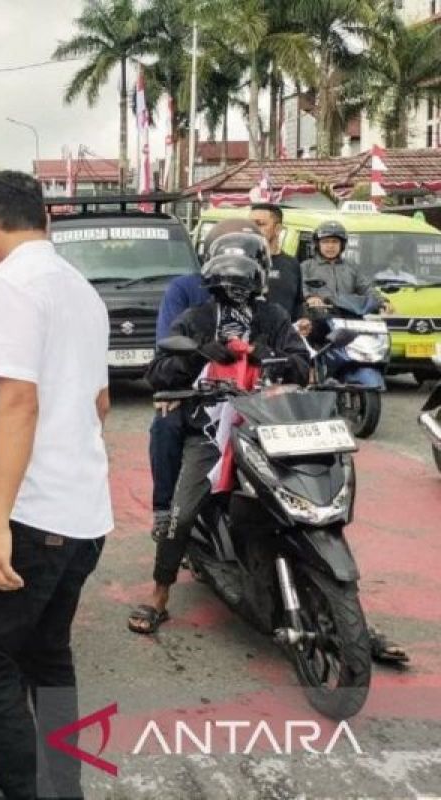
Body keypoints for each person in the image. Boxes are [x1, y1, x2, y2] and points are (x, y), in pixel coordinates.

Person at [0, 171, 112, 800]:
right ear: (43, 218)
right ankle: (61, 785)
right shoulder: (80, 289)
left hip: (31, 515)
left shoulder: (14, 286)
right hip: (83, 512)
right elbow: (99, 403)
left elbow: (18, 401)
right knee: (47, 655)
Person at [128, 254, 310, 638]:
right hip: (210, 432)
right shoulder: (194, 320)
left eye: (242, 288)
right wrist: (197, 356)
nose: (235, 295)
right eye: (227, 289)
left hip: (270, 428)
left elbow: (302, 366)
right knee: (180, 514)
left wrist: (269, 357)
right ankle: (160, 594)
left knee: (309, 501)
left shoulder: (274, 317)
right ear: (212, 287)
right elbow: (157, 372)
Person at [148, 218, 257, 540]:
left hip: (255, 393)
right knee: (166, 425)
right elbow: (167, 347)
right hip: (197, 392)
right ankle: (165, 510)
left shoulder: (266, 303)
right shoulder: (184, 291)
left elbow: (289, 345)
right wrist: (179, 378)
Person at [301, 220, 387, 313]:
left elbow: (366, 288)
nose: (330, 246)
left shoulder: (351, 267)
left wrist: (382, 301)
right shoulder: (306, 267)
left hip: (349, 316)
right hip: (317, 316)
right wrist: (309, 297)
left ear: (342, 245)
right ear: (318, 244)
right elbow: (300, 288)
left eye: (335, 242)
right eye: (325, 242)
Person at [249, 203, 305, 324]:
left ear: (278, 229)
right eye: (250, 224)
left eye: (260, 224)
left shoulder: (292, 264)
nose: (253, 229)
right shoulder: (243, 263)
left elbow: (298, 303)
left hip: (284, 334)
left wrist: (302, 321)